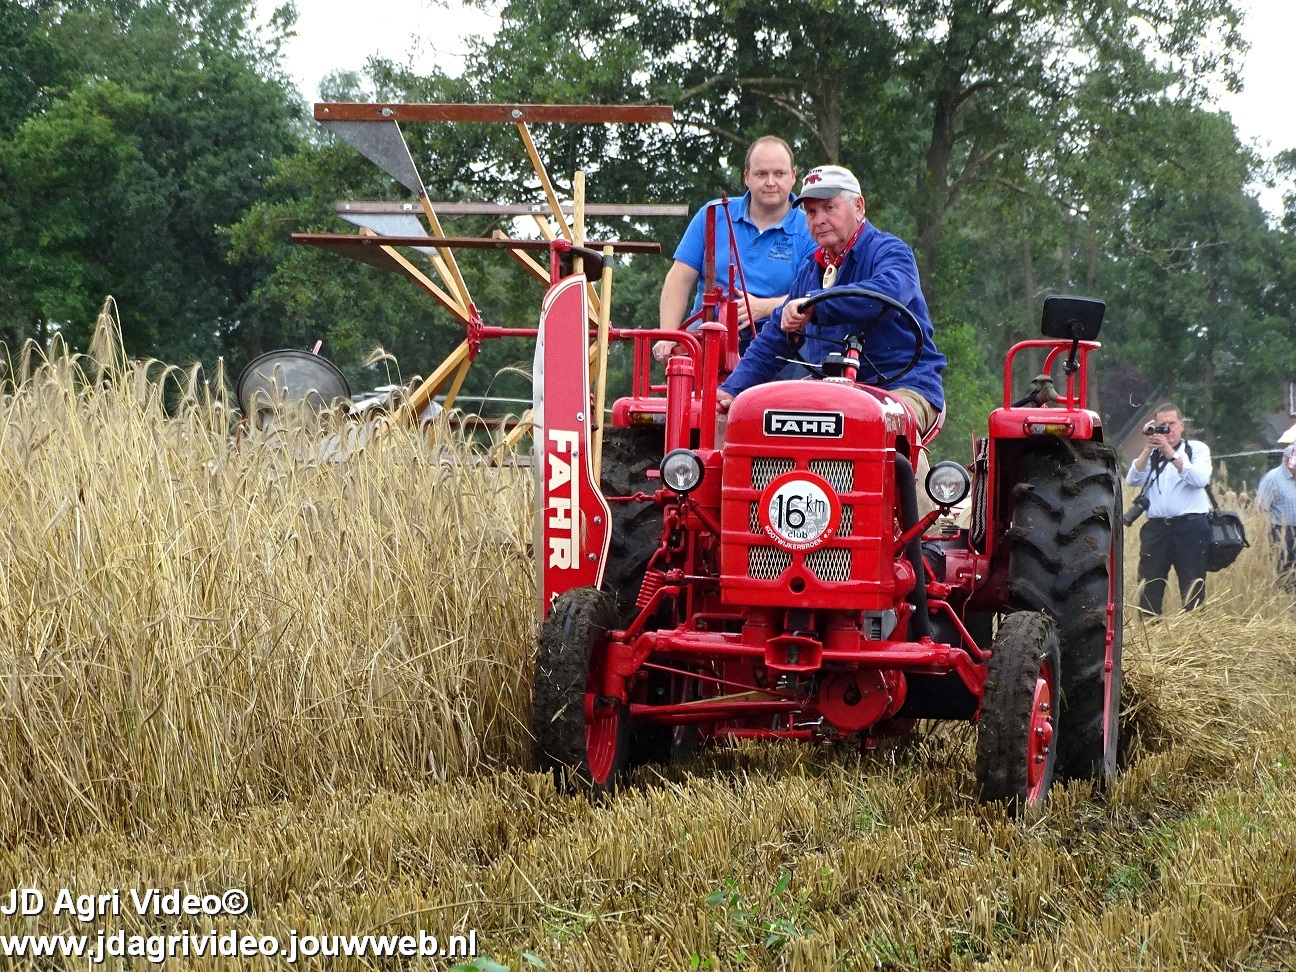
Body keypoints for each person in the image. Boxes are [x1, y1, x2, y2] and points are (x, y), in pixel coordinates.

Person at [713, 164, 946, 437]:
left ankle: (911, 467)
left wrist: (816, 304)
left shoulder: (891, 253)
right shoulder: (810, 273)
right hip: (831, 391)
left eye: (829, 208)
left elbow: (888, 291)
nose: (819, 219)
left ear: (858, 207)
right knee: (766, 421)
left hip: (904, 385)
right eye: (811, 212)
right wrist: (732, 389)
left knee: (885, 427)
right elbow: (774, 338)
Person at [654, 136, 817, 363]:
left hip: (778, 343)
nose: (770, 182)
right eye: (761, 174)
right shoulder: (712, 214)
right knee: (682, 373)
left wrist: (764, 307)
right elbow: (680, 278)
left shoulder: (810, 227)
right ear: (747, 177)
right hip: (706, 340)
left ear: (793, 176)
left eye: (779, 173)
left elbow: (813, 298)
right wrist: (668, 335)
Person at [1125, 403, 1213, 616]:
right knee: (1149, 585)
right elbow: (1132, 480)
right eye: (1162, 425)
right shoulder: (1152, 454)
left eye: (1172, 424)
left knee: (1192, 584)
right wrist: (1148, 448)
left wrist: (1170, 453)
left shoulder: (1196, 449)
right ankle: (1149, 628)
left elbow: (1200, 479)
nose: (1168, 429)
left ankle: (1194, 628)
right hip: (1157, 528)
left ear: (1182, 425)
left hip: (1190, 527)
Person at [1256, 444, 1296, 592]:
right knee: (1286, 573)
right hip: (1282, 532)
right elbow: (1261, 508)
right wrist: (1263, 537)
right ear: (1287, 460)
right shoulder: (1272, 478)